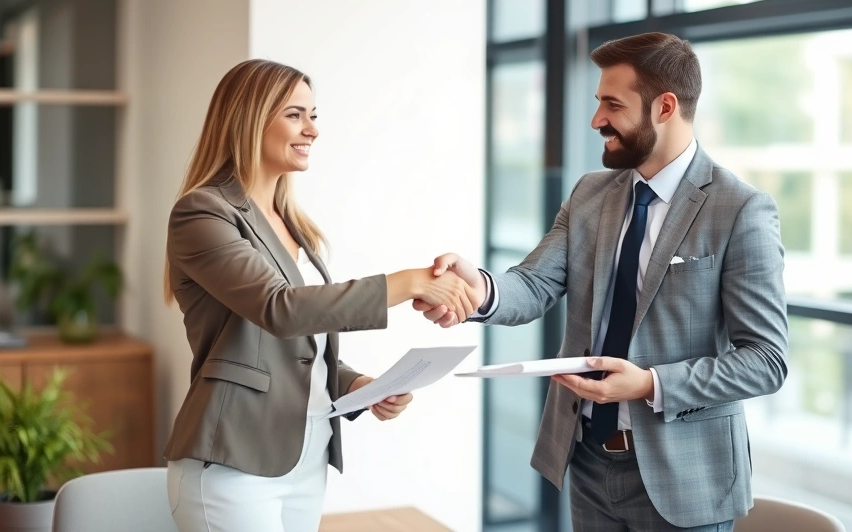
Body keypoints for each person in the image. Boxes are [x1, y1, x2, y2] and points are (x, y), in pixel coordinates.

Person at [416, 32, 789, 531]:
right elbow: (534, 283)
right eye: (598, 104)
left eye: (612, 105)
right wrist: (477, 290)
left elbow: (766, 361)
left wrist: (650, 384)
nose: (597, 121)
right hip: (587, 460)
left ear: (665, 106)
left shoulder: (739, 209)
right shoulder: (591, 193)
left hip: (685, 479)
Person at [162, 59, 478, 532]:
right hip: (233, 459)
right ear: (249, 119)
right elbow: (279, 309)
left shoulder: (295, 226)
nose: (312, 130)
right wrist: (409, 281)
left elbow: (293, 345)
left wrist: (354, 386)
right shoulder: (202, 213)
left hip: (305, 455)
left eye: (314, 115)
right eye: (295, 114)